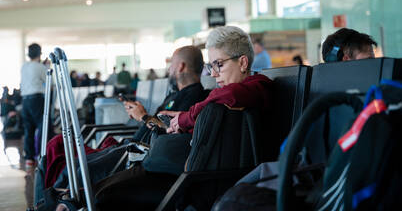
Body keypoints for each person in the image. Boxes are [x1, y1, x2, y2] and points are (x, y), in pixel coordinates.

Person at [95, 26, 273, 210]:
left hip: (199, 183)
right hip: (191, 175)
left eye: (219, 64)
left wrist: (187, 117)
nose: (213, 73)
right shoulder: (236, 96)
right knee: (100, 190)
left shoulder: (256, 87)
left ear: (243, 63)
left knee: (104, 196)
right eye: (211, 66)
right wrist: (186, 118)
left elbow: (229, 94)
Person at [51, 46, 209, 190]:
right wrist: (141, 114)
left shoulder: (194, 97)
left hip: (139, 156)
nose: (170, 69)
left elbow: (170, 133)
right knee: (72, 167)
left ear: (180, 67)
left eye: (172, 64)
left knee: (79, 172)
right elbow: (161, 123)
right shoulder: (176, 95)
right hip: (131, 147)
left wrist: (144, 116)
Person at [20, 43, 47, 170]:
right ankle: (42, 156)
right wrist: (47, 67)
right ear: (39, 53)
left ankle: (29, 160)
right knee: (43, 127)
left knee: (28, 130)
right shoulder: (40, 67)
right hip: (37, 99)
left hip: (25, 100)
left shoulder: (24, 67)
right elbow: (48, 81)